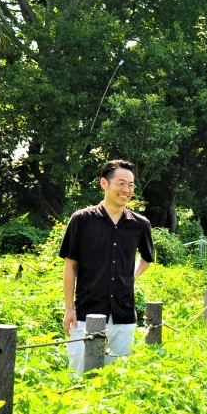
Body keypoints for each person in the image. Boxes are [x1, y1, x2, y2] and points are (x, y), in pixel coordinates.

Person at [60, 159, 154, 375]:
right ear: (104, 183)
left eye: (131, 185)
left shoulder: (140, 224)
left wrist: (130, 278)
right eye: (121, 183)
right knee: (80, 374)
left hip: (123, 313)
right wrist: (69, 308)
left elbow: (147, 258)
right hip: (85, 312)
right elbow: (70, 266)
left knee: (117, 378)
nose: (126, 190)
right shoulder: (82, 220)